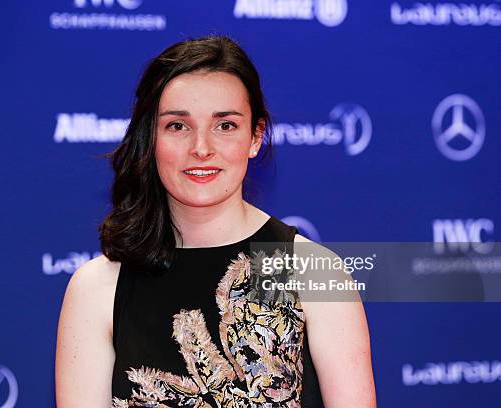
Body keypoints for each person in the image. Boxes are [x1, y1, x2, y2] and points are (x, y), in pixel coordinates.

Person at [55, 35, 376, 407]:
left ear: (255, 138)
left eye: (225, 125)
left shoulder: (314, 273)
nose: (201, 148)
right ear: (151, 138)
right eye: (178, 126)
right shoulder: (97, 287)